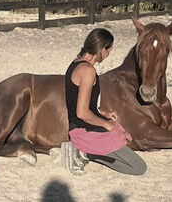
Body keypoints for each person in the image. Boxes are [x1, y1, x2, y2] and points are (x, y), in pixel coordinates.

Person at [61, 27, 147, 176]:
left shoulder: (76, 63)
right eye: (108, 50)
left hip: (79, 126)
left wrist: (103, 112)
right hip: (84, 131)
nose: (108, 55)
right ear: (102, 49)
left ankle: (89, 152)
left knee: (118, 133)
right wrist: (105, 124)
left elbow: (79, 102)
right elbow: (82, 113)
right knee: (139, 167)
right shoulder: (88, 71)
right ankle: (88, 153)